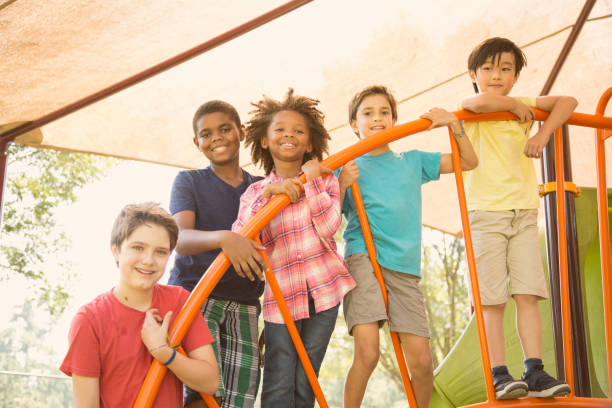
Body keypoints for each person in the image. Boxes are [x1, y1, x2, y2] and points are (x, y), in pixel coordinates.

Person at [338, 85, 478, 408]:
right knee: (368, 351)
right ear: (354, 124)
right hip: (364, 258)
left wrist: (453, 124)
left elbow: (468, 161)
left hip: (403, 266)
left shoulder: (411, 161)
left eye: (384, 112)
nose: (377, 119)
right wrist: (342, 183)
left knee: (422, 363)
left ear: (395, 119)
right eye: (368, 113)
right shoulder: (346, 165)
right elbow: (328, 222)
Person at [459, 37, 577, 400]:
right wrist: (510, 103)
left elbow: (568, 102)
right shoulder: (475, 109)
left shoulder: (526, 105)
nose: (497, 75)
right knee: (492, 299)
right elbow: (473, 100)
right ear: (474, 74)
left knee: (528, 293)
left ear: (516, 75)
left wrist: (543, 132)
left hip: (523, 212)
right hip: (486, 214)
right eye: (489, 68)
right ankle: (499, 373)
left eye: (506, 69)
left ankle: (535, 371)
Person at [232, 88, 356, 408]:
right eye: (281, 130)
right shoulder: (256, 192)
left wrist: (310, 182)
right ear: (264, 140)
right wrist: (271, 193)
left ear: (310, 143)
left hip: (324, 291)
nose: (290, 135)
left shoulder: (326, 181)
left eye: (299, 131)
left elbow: (329, 228)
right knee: (278, 376)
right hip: (281, 296)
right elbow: (243, 234)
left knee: (306, 378)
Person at [60, 202, 218, 407]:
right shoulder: (89, 320)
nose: (148, 260)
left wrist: (163, 351)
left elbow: (211, 382)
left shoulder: (179, 301)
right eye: (138, 247)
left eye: (160, 252)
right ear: (116, 251)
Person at [167, 100, 265, 408]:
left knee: (240, 397)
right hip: (196, 297)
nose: (217, 138)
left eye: (225, 129)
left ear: (242, 133)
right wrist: (225, 238)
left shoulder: (262, 189)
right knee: (201, 392)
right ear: (197, 143)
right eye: (206, 134)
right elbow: (180, 237)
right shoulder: (190, 181)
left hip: (246, 303)